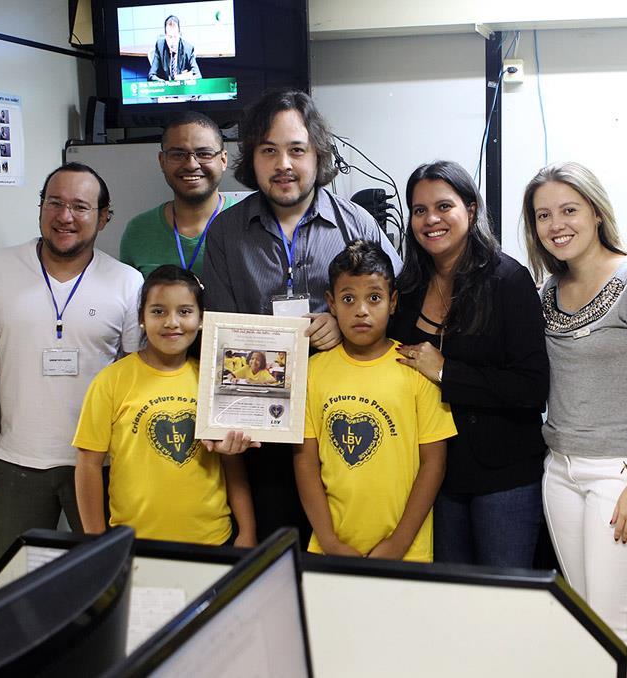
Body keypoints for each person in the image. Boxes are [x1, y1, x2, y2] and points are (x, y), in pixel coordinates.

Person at [203, 88, 402, 544]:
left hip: (348, 422)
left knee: (350, 555)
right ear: (251, 159)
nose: (283, 164)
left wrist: (344, 323)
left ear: (318, 155)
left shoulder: (358, 225)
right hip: (266, 431)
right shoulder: (227, 234)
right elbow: (218, 338)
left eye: (297, 149)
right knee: (279, 560)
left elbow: (398, 303)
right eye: (268, 150)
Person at [524, 162, 627, 678]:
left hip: (626, 472)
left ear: (595, 212)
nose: (556, 224)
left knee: (617, 624)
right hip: (562, 469)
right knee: (587, 620)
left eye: (568, 210)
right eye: (544, 215)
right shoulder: (548, 291)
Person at [0, 162, 144, 556]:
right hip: (19, 458)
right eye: (54, 202)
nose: (65, 216)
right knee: (16, 580)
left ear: (104, 217)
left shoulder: (127, 281)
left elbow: (136, 371)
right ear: (40, 207)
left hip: (101, 462)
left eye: (80, 206)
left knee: (105, 574)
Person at [388, 160, 549, 568]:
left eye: (444, 206)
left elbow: (532, 388)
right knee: (451, 601)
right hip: (433, 475)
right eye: (419, 210)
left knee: (503, 601)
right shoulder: (407, 287)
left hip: (502, 476)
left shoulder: (508, 281)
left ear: (471, 210)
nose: (431, 220)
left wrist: (445, 371)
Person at [293, 240, 456, 561]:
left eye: (374, 298)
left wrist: (398, 544)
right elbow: (305, 462)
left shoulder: (415, 369)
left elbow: (434, 463)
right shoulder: (311, 372)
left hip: (406, 549)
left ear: (393, 302)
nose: (362, 310)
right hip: (332, 546)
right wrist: (329, 541)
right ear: (331, 303)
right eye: (349, 299)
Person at [73, 265, 257, 546]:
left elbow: (232, 464)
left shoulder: (214, 379)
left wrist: (247, 531)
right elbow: (88, 465)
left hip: (212, 540)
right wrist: (96, 543)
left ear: (202, 318)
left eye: (184, 311)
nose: (172, 322)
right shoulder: (111, 381)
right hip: (133, 541)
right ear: (141, 319)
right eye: (158, 311)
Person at [120, 112, 232, 278]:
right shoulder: (138, 231)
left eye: (204, 154)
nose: (191, 164)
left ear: (223, 160)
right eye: (178, 154)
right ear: (162, 161)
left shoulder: (248, 225)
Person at [148, 15, 201, 82]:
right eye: (170, 37)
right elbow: (151, 75)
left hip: (182, 88)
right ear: (165, 36)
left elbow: (198, 76)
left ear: (179, 34)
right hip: (166, 89)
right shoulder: (160, 46)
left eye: (175, 36)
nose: (173, 41)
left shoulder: (188, 49)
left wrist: (183, 77)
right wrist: (164, 83)